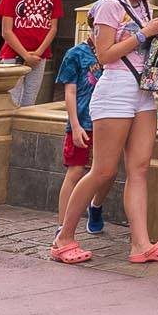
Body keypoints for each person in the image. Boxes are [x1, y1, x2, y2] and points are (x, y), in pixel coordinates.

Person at [52, 0, 158, 266]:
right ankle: (64, 237)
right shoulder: (110, 6)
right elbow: (105, 55)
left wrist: (156, 33)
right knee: (104, 170)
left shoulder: (144, 7)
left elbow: (140, 44)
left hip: (142, 91)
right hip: (115, 88)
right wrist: (144, 33)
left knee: (139, 169)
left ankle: (141, 243)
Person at [54, 29, 106, 236]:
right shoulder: (75, 54)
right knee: (75, 171)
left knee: (106, 172)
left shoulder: (116, 53)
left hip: (108, 121)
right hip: (83, 121)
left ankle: (96, 206)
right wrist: (75, 125)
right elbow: (70, 91)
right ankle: (62, 225)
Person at [0, 0, 62, 108]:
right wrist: (25, 55)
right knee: (12, 99)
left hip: (39, 55)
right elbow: (6, 31)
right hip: (13, 54)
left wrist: (37, 53)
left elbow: (53, 28)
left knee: (30, 101)